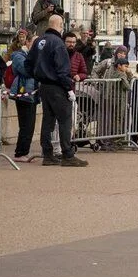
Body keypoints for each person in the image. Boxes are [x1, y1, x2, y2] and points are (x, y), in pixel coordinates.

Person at [29, 14, 87, 166]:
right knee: (65, 120)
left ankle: (47, 154)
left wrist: (38, 77)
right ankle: (68, 154)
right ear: (60, 25)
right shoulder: (58, 43)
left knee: (47, 121)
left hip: (43, 85)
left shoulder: (39, 41)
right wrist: (69, 89)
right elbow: (63, 70)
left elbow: (29, 64)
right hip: (57, 86)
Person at [7, 30, 39, 163]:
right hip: (23, 93)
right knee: (26, 124)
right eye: (35, 43)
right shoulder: (18, 55)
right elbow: (27, 71)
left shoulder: (31, 56)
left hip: (32, 93)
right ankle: (20, 153)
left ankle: (23, 151)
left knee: (29, 125)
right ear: (27, 42)